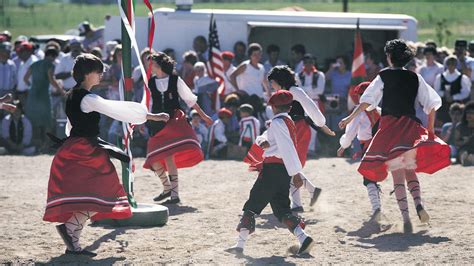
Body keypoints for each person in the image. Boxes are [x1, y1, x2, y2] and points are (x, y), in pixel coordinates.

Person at [43, 54, 169, 256]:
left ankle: (72, 242)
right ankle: (69, 231)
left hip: (74, 148)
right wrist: (151, 115)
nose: (101, 75)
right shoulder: (88, 98)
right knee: (105, 193)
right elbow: (117, 109)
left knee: (96, 196)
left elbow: (71, 126)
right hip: (85, 151)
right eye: (98, 71)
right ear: (86, 74)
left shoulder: (71, 95)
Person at [339, 39, 451, 233]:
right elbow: (432, 105)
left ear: (389, 57)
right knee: (410, 169)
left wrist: (349, 118)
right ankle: (418, 204)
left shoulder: (383, 76)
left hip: (390, 129)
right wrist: (430, 132)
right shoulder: (415, 77)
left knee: (397, 175)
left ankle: (406, 218)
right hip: (410, 128)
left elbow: (366, 101)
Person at [226, 90, 314, 255]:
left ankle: (239, 245)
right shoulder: (287, 121)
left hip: (272, 170)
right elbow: (267, 137)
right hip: (283, 172)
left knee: (251, 206)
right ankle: (303, 238)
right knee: (282, 210)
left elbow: (287, 148)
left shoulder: (278, 123)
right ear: (289, 107)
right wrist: (262, 141)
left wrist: (296, 173)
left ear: (273, 107)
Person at [143, 52, 213, 204]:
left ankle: (174, 195)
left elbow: (190, 100)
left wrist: (203, 116)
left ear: (157, 65)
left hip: (173, 122)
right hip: (156, 122)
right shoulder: (150, 82)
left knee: (168, 157)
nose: (148, 67)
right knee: (153, 157)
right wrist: (142, 121)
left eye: (150, 64)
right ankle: (168, 189)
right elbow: (146, 105)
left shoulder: (175, 80)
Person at [267, 65, 335, 212]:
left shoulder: (294, 91)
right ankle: (305, 197)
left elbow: (311, 107)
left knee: (289, 164)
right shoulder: (283, 93)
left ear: (279, 80)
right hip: (289, 128)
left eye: (271, 81)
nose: (270, 85)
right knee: (289, 164)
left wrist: (321, 124)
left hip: (299, 129)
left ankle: (302, 200)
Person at [337, 82, 382, 221]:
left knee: (368, 178)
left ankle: (376, 208)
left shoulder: (359, 111)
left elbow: (350, 132)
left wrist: (343, 146)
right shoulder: (380, 110)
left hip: (368, 148)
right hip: (384, 147)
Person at [23, 47, 62, 152]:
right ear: (53, 56)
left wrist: (32, 86)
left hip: (32, 95)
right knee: (47, 121)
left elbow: (25, 79)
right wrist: (61, 90)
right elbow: (51, 80)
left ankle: (36, 145)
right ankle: (46, 145)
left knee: (33, 121)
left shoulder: (34, 64)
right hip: (44, 95)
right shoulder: (50, 65)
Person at [434, 56, 471, 124]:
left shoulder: (462, 77)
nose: (451, 66)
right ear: (446, 64)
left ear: (456, 65)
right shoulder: (440, 77)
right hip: (443, 107)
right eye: (449, 64)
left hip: (457, 108)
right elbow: (436, 91)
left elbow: (466, 92)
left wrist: (454, 97)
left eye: (453, 64)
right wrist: (444, 94)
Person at [14, 41, 37, 107]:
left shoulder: (33, 62)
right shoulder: (24, 61)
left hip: (28, 93)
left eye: (21, 51)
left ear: (29, 51)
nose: (19, 53)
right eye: (19, 51)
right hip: (22, 94)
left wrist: (30, 90)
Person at [454, 101, 474, 166]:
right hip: (464, 149)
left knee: (471, 156)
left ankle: (471, 159)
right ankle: (464, 159)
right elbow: (456, 142)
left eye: (471, 113)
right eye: (467, 112)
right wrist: (464, 141)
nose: (468, 115)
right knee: (463, 153)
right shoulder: (459, 126)